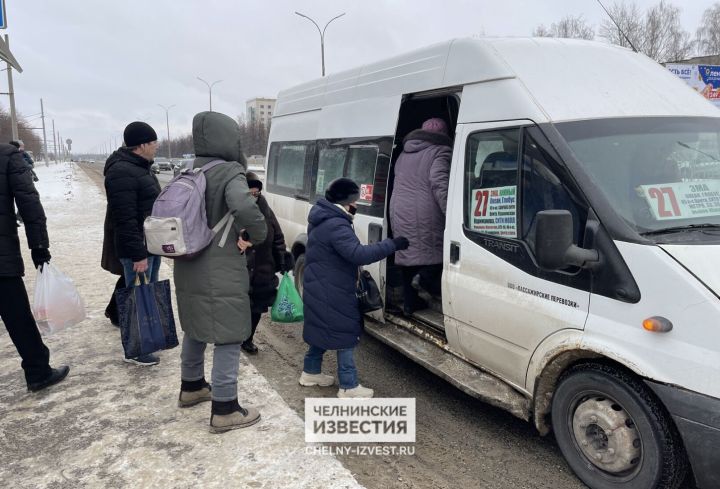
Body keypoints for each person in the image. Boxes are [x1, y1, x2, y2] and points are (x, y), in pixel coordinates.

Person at [174, 111, 267, 434]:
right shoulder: (230, 171)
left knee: (196, 325)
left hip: (188, 262)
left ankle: (192, 386)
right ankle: (226, 408)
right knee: (229, 332)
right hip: (220, 264)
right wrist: (256, 234)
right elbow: (244, 207)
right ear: (229, 139)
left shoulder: (187, 168)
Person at [300, 178, 409, 398]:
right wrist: (392, 244)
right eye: (355, 201)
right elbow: (359, 254)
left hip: (320, 286)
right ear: (347, 201)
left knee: (322, 329)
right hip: (333, 290)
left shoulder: (324, 218)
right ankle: (349, 386)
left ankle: (310, 373)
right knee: (345, 334)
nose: (357, 205)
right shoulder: (337, 225)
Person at [0, 143, 69, 392]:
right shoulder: (8, 157)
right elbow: (29, 204)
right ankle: (38, 371)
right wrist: (39, 246)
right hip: (2, 259)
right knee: (18, 317)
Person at [103, 121, 162, 366]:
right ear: (141, 145)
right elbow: (124, 219)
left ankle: (147, 338)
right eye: (153, 143)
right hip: (138, 248)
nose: (156, 147)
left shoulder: (140, 167)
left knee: (146, 293)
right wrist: (138, 255)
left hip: (150, 244)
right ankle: (136, 349)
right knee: (136, 297)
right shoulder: (122, 172)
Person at [389, 117, 452, 315]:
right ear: (444, 135)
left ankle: (410, 304)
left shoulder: (403, 153)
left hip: (399, 210)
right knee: (438, 250)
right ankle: (424, 279)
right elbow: (439, 183)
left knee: (408, 256)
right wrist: (451, 213)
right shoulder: (441, 151)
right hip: (425, 211)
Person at [241, 171, 293, 354]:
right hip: (241, 269)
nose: (254, 197)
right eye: (250, 193)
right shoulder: (234, 211)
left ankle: (247, 339)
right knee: (240, 307)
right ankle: (235, 337)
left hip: (263, 269)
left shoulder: (265, 209)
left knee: (256, 308)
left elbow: (277, 237)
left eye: (257, 193)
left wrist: (282, 259)